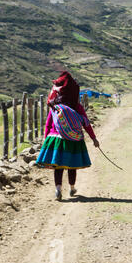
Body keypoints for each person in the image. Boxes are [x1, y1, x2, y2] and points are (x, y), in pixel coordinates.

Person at [36, 71, 100, 201]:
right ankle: (72, 188)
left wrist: (46, 139)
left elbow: (48, 124)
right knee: (72, 165)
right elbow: (86, 124)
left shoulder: (55, 107)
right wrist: (93, 138)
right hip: (73, 139)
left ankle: (58, 189)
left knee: (57, 166)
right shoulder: (77, 107)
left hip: (55, 139)